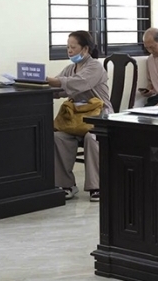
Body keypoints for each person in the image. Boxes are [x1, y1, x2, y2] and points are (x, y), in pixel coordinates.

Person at [47, 30, 112, 202]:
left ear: (85, 49)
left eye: (73, 47)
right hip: (77, 119)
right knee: (58, 137)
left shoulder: (95, 66)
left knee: (92, 137)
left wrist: (50, 80)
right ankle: (66, 185)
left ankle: (97, 186)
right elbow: (59, 89)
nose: (69, 51)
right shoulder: (70, 68)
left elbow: (78, 83)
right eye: (67, 47)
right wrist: (38, 85)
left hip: (100, 116)